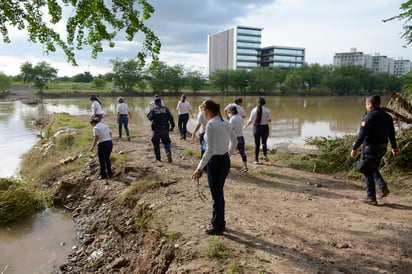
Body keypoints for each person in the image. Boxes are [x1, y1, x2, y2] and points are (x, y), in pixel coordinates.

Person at [192, 100, 237, 235]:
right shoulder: (225, 122)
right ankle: (220, 223)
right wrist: (226, 155)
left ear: (208, 111)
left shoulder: (211, 125)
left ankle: (217, 226)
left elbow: (210, 150)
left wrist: (199, 167)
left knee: (216, 195)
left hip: (215, 163)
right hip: (224, 161)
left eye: (203, 111)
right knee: (219, 194)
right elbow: (234, 142)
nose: (203, 114)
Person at [350, 95, 399, 205]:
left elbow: (362, 134)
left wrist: (355, 147)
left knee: (367, 170)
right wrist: (394, 147)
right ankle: (383, 188)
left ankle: (371, 197)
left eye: (366, 104)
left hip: (371, 148)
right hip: (382, 148)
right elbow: (392, 133)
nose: (366, 107)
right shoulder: (387, 116)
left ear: (370, 104)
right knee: (372, 167)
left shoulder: (369, 116)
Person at [147, 97, 175, 163]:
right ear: (160, 102)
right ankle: (168, 152)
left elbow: (149, 117)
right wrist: (172, 127)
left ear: (155, 103)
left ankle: (158, 158)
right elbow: (171, 118)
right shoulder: (166, 109)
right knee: (167, 142)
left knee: (155, 142)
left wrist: (151, 110)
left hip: (156, 129)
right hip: (165, 129)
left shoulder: (154, 109)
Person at [244, 97, 271, 165]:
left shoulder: (253, 110)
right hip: (264, 128)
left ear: (257, 103)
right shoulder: (267, 110)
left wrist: (246, 126)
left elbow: (250, 120)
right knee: (264, 143)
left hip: (256, 128)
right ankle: (265, 156)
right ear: (264, 103)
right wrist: (269, 120)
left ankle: (256, 160)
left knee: (257, 145)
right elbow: (269, 120)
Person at [228, 106, 248, 173]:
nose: (228, 114)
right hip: (241, 136)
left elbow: (231, 129)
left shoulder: (232, 119)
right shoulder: (240, 117)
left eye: (229, 112)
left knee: (229, 152)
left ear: (232, 112)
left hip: (234, 138)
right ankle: (245, 166)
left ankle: (226, 165)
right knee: (242, 152)